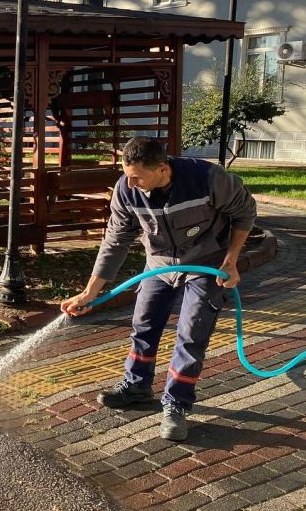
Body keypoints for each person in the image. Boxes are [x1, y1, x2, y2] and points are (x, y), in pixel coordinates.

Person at [60, 137, 257, 442]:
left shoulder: (207, 179)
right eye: (127, 174)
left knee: (192, 333)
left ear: (163, 169)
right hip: (160, 264)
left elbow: (245, 212)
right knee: (143, 325)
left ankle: (176, 403)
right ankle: (137, 385)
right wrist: (89, 293)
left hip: (206, 263)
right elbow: (115, 240)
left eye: (137, 176)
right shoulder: (127, 190)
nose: (129, 181)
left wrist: (231, 262)